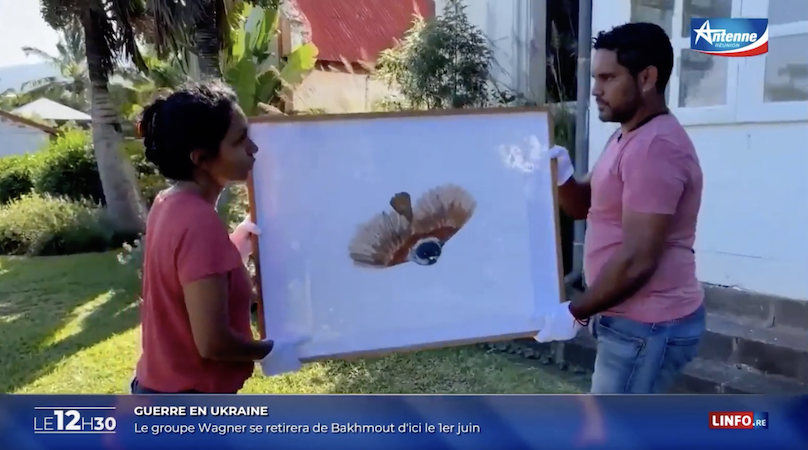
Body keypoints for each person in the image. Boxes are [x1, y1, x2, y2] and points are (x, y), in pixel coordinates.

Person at [535, 22, 705, 394]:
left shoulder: (656, 147)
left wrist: (575, 311)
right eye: (595, 77)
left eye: (608, 78)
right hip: (629, 320)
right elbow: (586, 206)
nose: (595, 89)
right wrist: (562, 176)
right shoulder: (627, 133)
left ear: (646, 77)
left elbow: (638, 258)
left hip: (648, 326)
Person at [131, 81, 306, 394]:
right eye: (240, 141)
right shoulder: (198, 221)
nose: (253, 148)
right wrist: (271, 349)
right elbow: (213, 342)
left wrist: (233, 247)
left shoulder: (167, 202)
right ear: (201, 158)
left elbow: (184, 281)